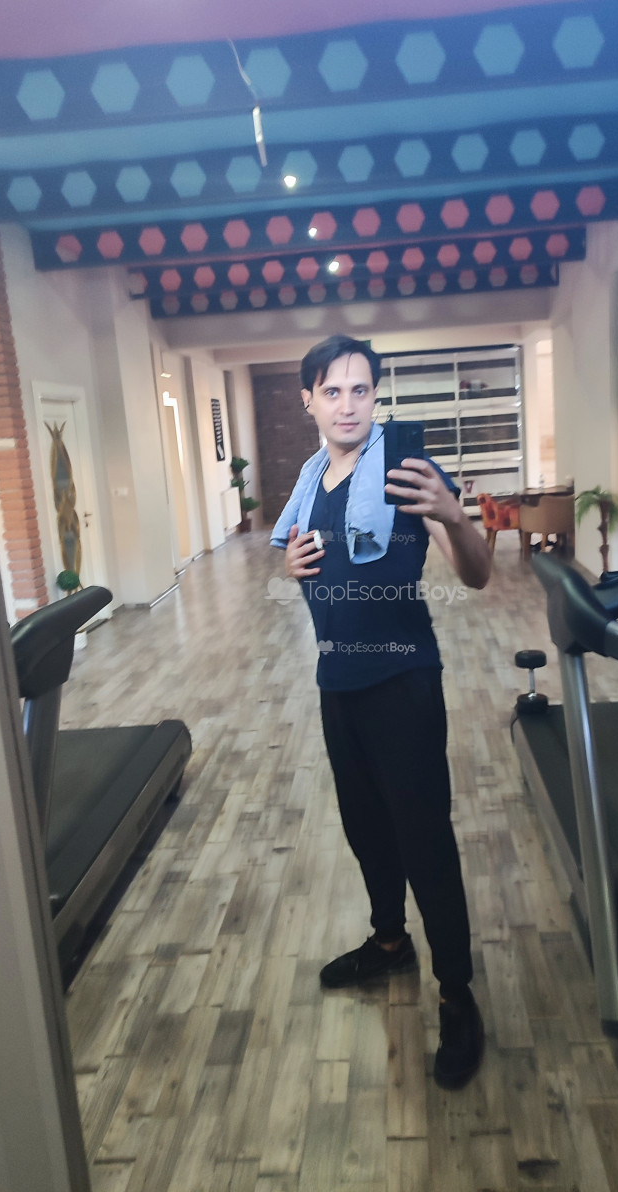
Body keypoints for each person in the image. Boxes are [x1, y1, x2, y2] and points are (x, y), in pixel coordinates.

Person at [271, 334, 491, 1089]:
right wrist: (292, 566)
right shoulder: (310, 483)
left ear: (376, 396)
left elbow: (478, 575)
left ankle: (456, 993)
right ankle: (390, 943)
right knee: (367, 831)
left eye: (360, 390)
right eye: (332, 392)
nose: (348, 405)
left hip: (403, 682)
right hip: (338, 684)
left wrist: (454, 516)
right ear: (309, 400)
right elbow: (310, 568)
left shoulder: (404, 469)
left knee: (425, 842)